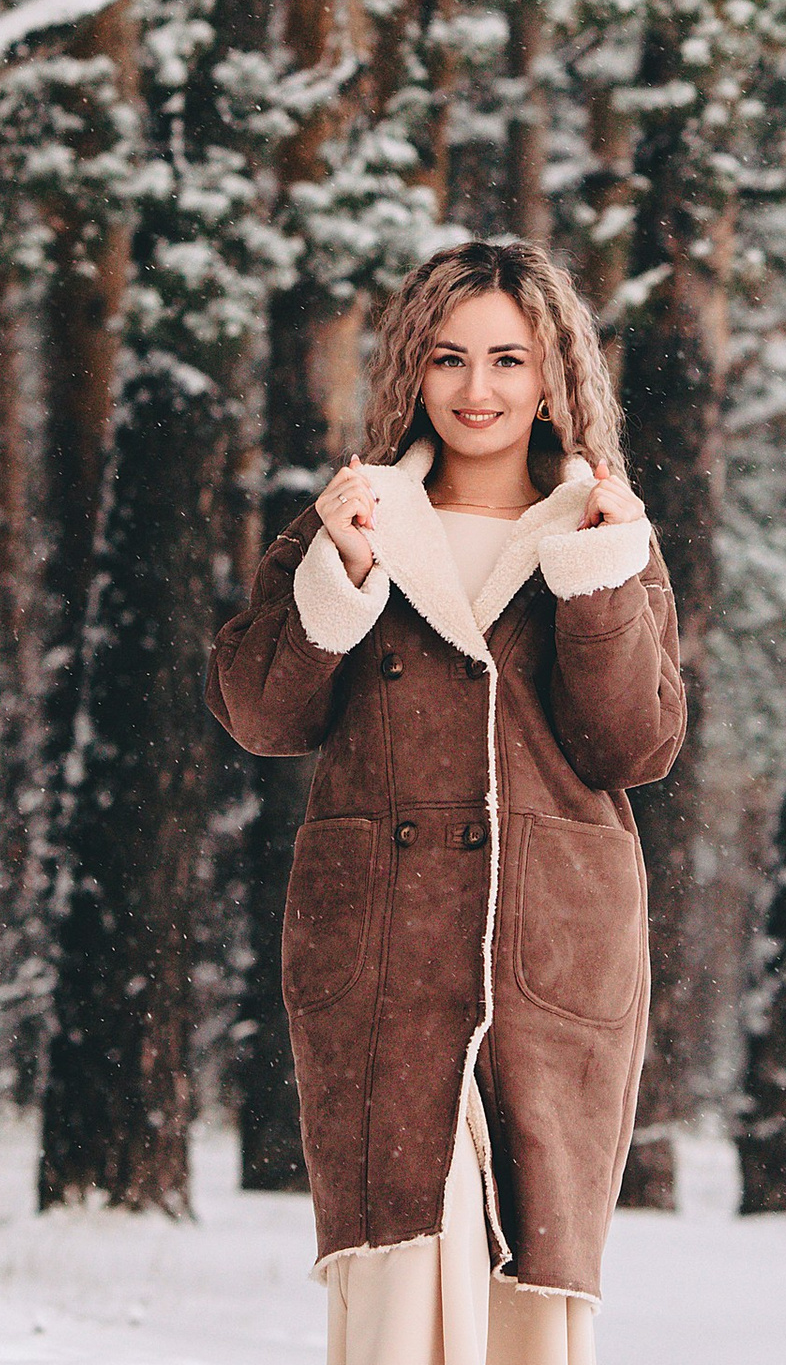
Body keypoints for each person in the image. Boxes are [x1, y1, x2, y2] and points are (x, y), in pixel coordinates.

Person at [209, 238, 686, 1365]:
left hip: (550, 948)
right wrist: (347, 573)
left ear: (552, 374)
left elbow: (633, 742)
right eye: (449, 358)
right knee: (401, 1278)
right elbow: (259, 713)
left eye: (508, 360)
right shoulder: (351, 515)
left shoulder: (601, 529)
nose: (478, 390)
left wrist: (599, 580)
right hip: (383, 947)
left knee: (530, 1290)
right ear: (411, 373)